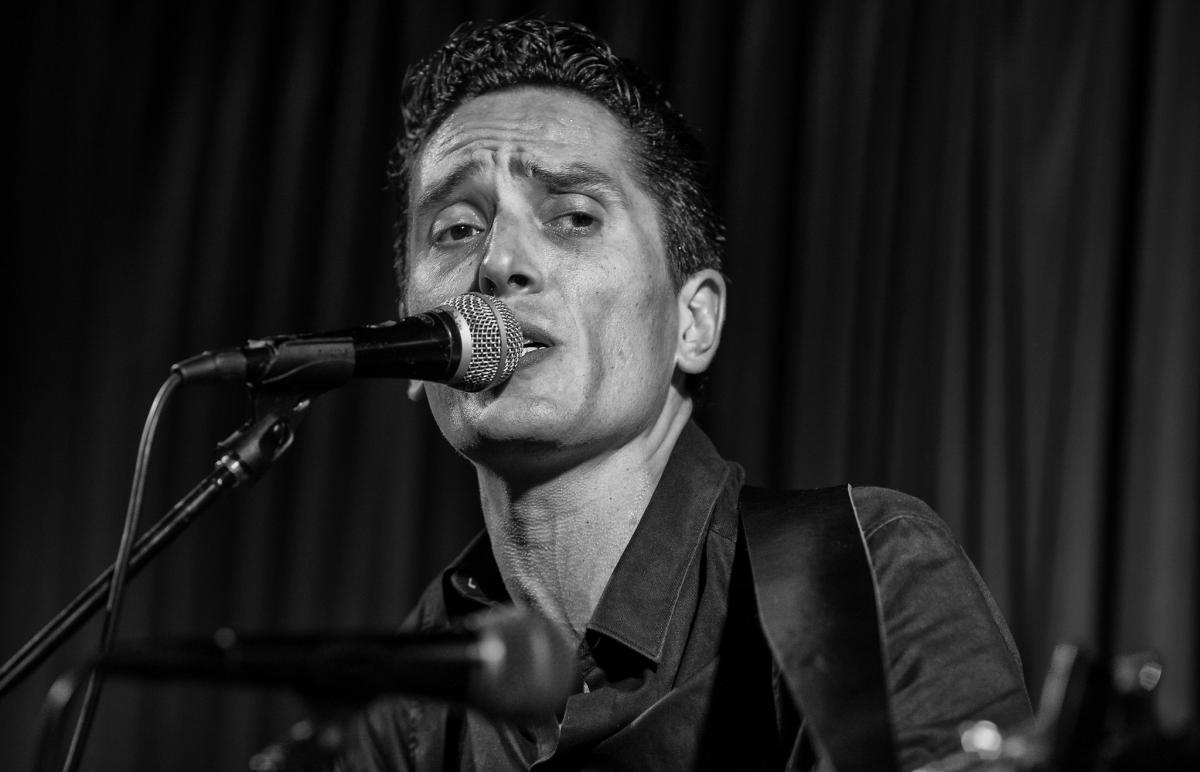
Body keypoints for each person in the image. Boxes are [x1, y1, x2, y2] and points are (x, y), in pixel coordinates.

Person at [263, 17, 1032, 771]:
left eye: (573, 217)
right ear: (409, 341)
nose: (497, 263)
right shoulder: (406, 699)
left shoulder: (860, 575)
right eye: (457, 228)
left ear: (693, 323)